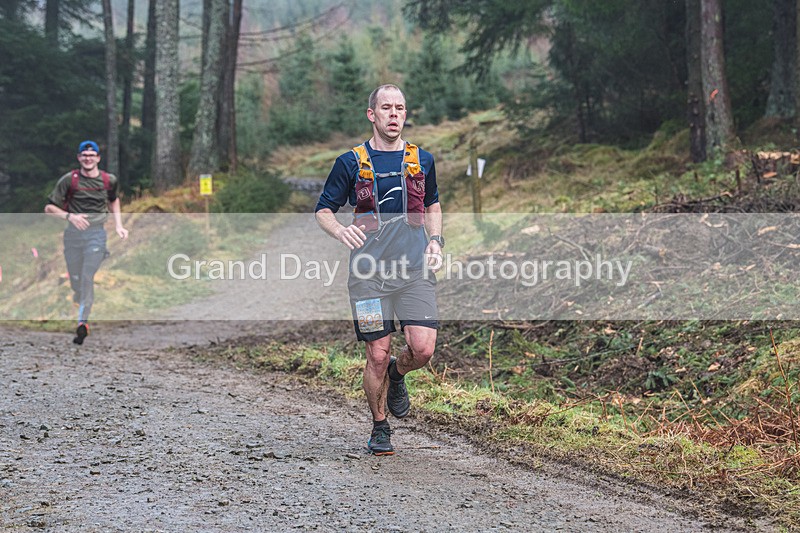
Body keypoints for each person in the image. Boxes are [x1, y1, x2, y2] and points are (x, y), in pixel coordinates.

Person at [315, 84, 444, 455]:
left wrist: (436, 241)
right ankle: (380, 425)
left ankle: (397, 374)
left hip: (414, 271)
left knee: (422, 349)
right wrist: (340, 231)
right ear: (372, 114)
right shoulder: (351, 162)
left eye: (400, 108)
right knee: (376, 352)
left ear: (405, 114)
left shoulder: (423, 160)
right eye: (386, 107)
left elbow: (433, 204)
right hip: (368, 276)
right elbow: (324, 210)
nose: (393, 114)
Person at [44, 140, 128, 344]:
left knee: (87, 275)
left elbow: (113, 199)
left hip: (96, 235)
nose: (88, 158)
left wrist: (119, 225)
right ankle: (78, 294)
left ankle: (83, 323)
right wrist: (70, 217)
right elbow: (48, 208)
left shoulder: (109, 180)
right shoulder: (69, 180)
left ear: (98, 158)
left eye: (92, 155)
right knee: (76, 279)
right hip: (73, 236)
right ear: (79, 158)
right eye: (84, 155)